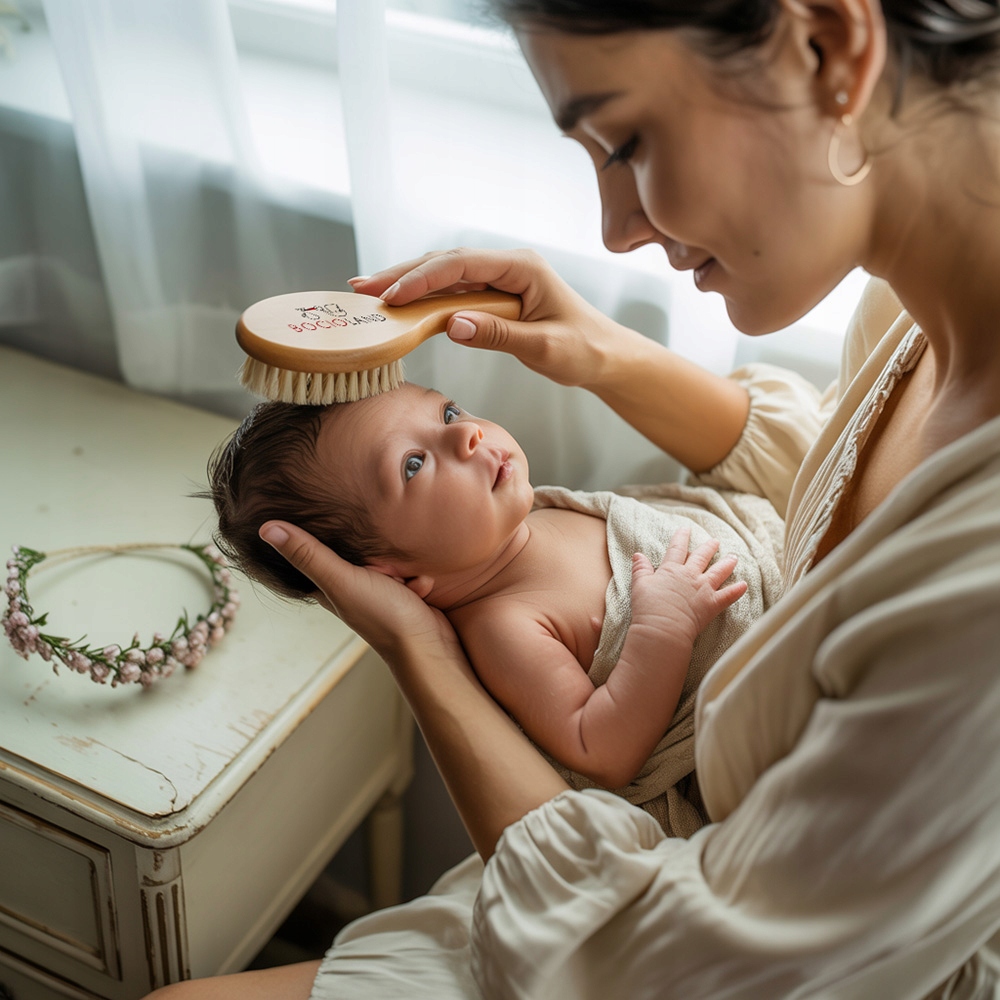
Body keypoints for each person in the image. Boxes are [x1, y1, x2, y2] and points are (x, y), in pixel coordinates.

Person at [146, 0, 1000, 997]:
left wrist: (420, 653)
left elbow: (665, 972)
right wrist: (597, 351)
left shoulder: (976, 587)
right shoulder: (917, 300)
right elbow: (831, 502)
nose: (618, 225)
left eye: (628, 141)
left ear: (828, 46)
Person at [206, 385, 785, 833]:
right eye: (413, 464)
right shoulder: (502, 627)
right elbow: (601, 751)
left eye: (448, 413)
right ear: (392, 572)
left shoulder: (536, 516)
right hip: (762, 734)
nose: (468, 437)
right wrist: (663, 626)